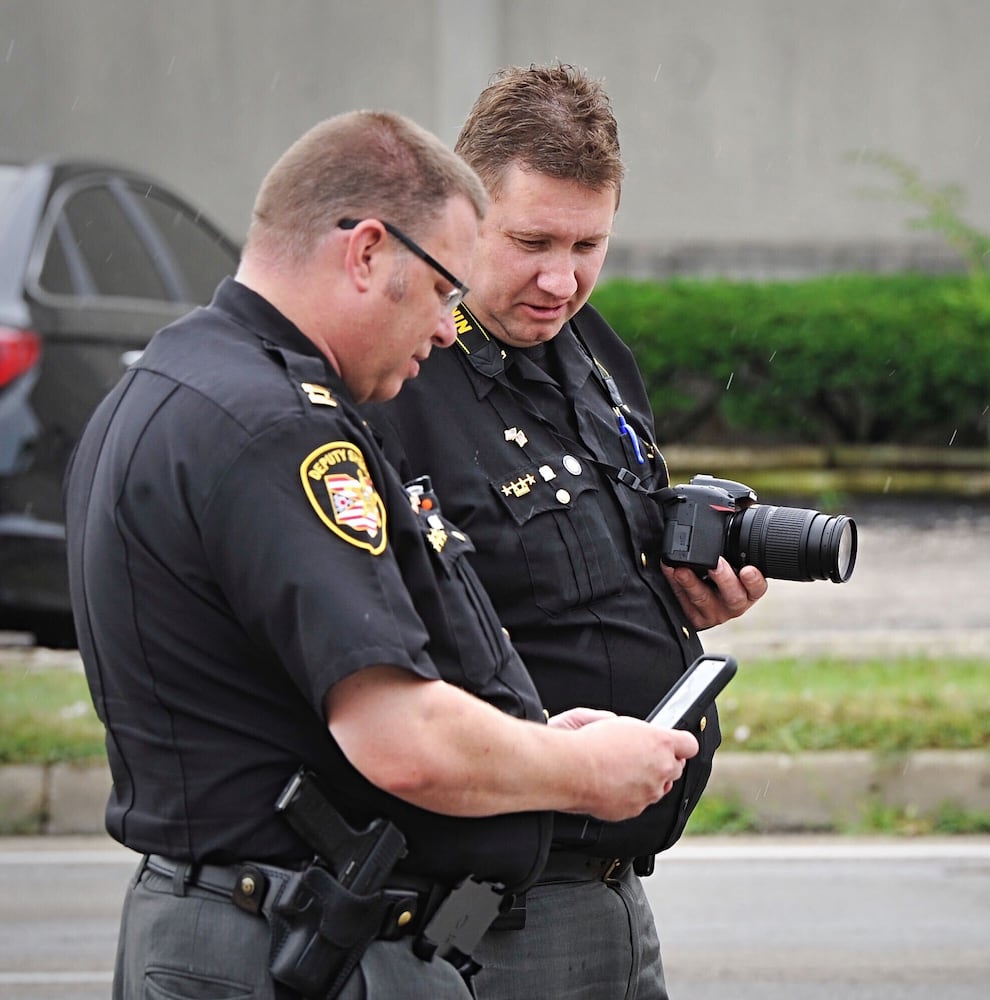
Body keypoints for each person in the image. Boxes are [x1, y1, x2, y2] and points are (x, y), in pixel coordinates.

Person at [63, 109, 697, 1000]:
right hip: (280, 937)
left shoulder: (176, 382)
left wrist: (517, 738)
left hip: (241, 921)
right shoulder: (280, 428)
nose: (448, 329)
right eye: (444, 288)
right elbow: (399, 741)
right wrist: (583, 771)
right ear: (366, 253)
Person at [367, 64, 768, 999]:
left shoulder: (589, 353)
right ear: (461, 216)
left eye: (591, 244)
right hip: (489, 896)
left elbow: (571, 574)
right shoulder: (397, 380)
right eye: (532, 240)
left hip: (614, 884)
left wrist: (680, 598)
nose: (563, 279)